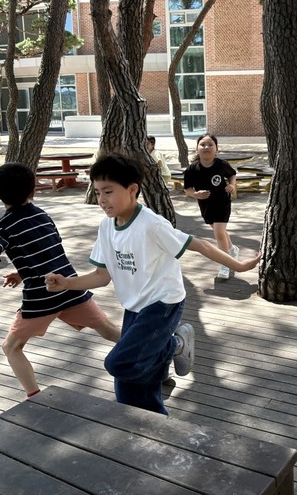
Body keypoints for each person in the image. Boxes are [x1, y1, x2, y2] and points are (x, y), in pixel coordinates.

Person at [45, 153, 260, 415]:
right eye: (98, 192)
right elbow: (101, 276)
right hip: (134, 307)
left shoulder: (152, 225)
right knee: (127, 387)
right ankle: (151, 418)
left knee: (119, 363)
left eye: (108, 192)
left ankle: (173, 345)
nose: (101, 199)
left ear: (132, 189)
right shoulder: (106, 227)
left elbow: (200, 244)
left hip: (162, 304)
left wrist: (239, 265)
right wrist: (67, 283)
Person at [0, 162, 121, 398]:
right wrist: (22, 273)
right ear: (32, 190)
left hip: (40, 300)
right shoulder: (43, 216)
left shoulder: (1, 228)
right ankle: (155, 357)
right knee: (108, 330)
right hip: (70, 288)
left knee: (11, 347)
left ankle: (35, 398)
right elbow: (48, 252)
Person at [182, 133, 239, 279]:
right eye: (202, 144)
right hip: (206, 205)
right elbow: (188, 190)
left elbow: (232, 175)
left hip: (222, 202)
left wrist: (231, 185)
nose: (206, 147)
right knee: (220, 231)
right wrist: (196, 194)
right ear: (197, 149)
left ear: (216, 149)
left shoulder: (222, 165)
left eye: (210, 144)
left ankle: (225, 264)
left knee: (219, 232)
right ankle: (232, 249)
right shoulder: (191, 170)